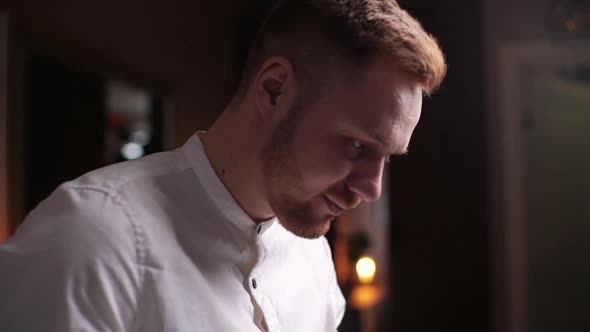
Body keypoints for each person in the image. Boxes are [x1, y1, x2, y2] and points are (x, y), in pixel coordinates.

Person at [0, 0, 446, 331]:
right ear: (273, 90)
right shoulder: (89, 239)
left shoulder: (314, 261)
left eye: (387, 157)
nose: (373, 188)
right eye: (356, 145)